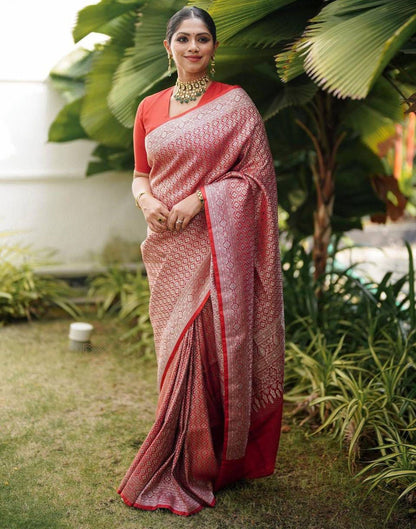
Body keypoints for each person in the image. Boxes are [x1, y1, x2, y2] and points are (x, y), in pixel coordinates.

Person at [117, 5, 285, 517]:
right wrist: (148, 202)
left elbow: (256, 178)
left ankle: (208, 457)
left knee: (210, 343)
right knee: (174, 348)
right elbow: (140, 173)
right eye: (184, 38)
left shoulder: (235, 104)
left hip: (214, 242)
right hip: (166, 243)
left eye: (203, 39)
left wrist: (201, 200)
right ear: (168, 46)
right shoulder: (148, 106)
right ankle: (182, 447)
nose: (193, 47)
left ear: (214, 48)